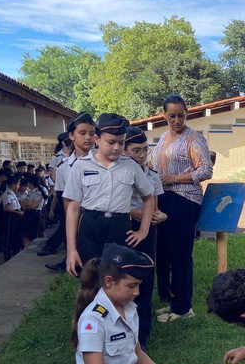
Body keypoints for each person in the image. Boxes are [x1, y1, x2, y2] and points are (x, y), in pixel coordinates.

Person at [63, 113, 154, 276]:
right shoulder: (81, 166)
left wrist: (143, 231)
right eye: (111, 142)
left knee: (118, 276)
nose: (117, 147)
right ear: (96, 139)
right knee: (90, 276)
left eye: (121, 142)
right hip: (90, 226)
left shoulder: (130, 166)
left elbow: (148, 198)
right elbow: (73, 208)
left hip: (119, 226)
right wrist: (71, 249)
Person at [151, 95, 213, 323]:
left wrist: (175, 178)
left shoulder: (193, 138)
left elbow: (206, 170)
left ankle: (183, 307)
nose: (177, 120)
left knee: (180, 254)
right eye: (172, 116)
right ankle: (171, 298)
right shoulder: (162, 137)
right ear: (164, 116)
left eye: (181, 115)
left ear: (187, 114)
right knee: (164, 252)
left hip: (185, 199)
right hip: (163, 198)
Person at [124, 126, 167, 349]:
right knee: (123, 277)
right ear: (124, 151)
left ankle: (142, 335)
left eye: (144, 150)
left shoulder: (152, 175)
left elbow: (155, 208)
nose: (141, 155)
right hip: (124, 227)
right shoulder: (119, 173)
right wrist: (132, 212)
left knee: (145, 277)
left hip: (147, 228)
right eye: (136, 150)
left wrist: (157, 216)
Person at [40, 114, 96, 266]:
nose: (88, 138)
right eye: (82, 133)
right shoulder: (64, 166)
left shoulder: (103, 161)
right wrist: (72, 221)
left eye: (92, 133)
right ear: (71, 136)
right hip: (76, 214)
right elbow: (64, 197)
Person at [0, 174, 25, 261]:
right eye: (18, 184)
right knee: (9, 237)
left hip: (16, 215)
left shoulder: (13, 193)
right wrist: (18, 212)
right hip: (10, 216)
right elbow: (6, 208)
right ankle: (7, 258)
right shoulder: (8, 193)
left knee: (16, 236)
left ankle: (15, 255)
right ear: (13, 185)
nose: (18, 186)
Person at [20, 174, 44, 248]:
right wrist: (28, 204)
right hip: (28, 213)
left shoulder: (38, 192)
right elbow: (22, 203)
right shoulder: (30, 192)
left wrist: (28, 204)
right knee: (26, 233)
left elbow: (34, 205)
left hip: (35, 214)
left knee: (36, 233)